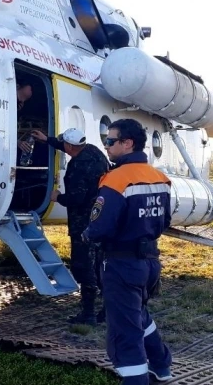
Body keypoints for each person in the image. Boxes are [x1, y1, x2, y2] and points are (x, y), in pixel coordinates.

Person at [80, 119, 173, 384]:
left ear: (127, 143)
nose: (106, 146)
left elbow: (100, 226)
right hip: (149, 262)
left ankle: (136, 379)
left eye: (110, 141)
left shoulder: (116, 179)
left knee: (124, 333)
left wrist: (87, 234)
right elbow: (164, 220)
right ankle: (161, 367)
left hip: (122, 264)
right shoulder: (160, 178)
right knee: (140, 316)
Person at [30, 127, 109, 325]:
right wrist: (47, 140)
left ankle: (88, 313)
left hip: (82, 224)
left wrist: (58, 197)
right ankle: (108, 310)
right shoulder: (93, 151)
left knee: (84, 267)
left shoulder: (78, 167)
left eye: (63, 142)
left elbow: (76, 198)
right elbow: (69, 147)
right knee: (101, 265)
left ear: (69, 145)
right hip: (100, 219)